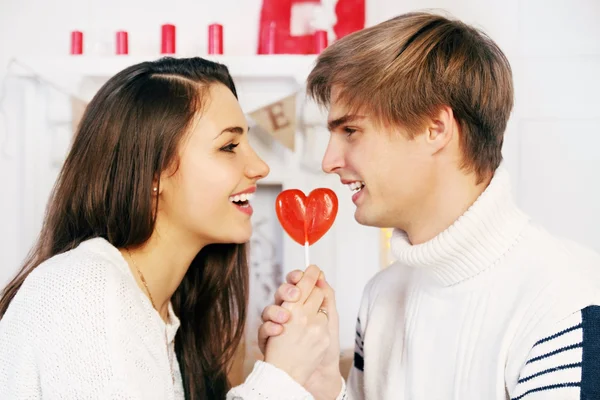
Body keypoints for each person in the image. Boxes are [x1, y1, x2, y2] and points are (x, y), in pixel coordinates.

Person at [260, 11, 600, 400]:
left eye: (351, 131)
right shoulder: (380, 296)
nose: (329, 162)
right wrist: (322, 385)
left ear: (434, 129)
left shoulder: (565, 303)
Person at [0, 57, 334, 400]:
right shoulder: (83, 287)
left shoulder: (169, 317)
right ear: (152, 175)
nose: (260, 167)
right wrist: (280, 377)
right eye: (229, 147)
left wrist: (320, 384)